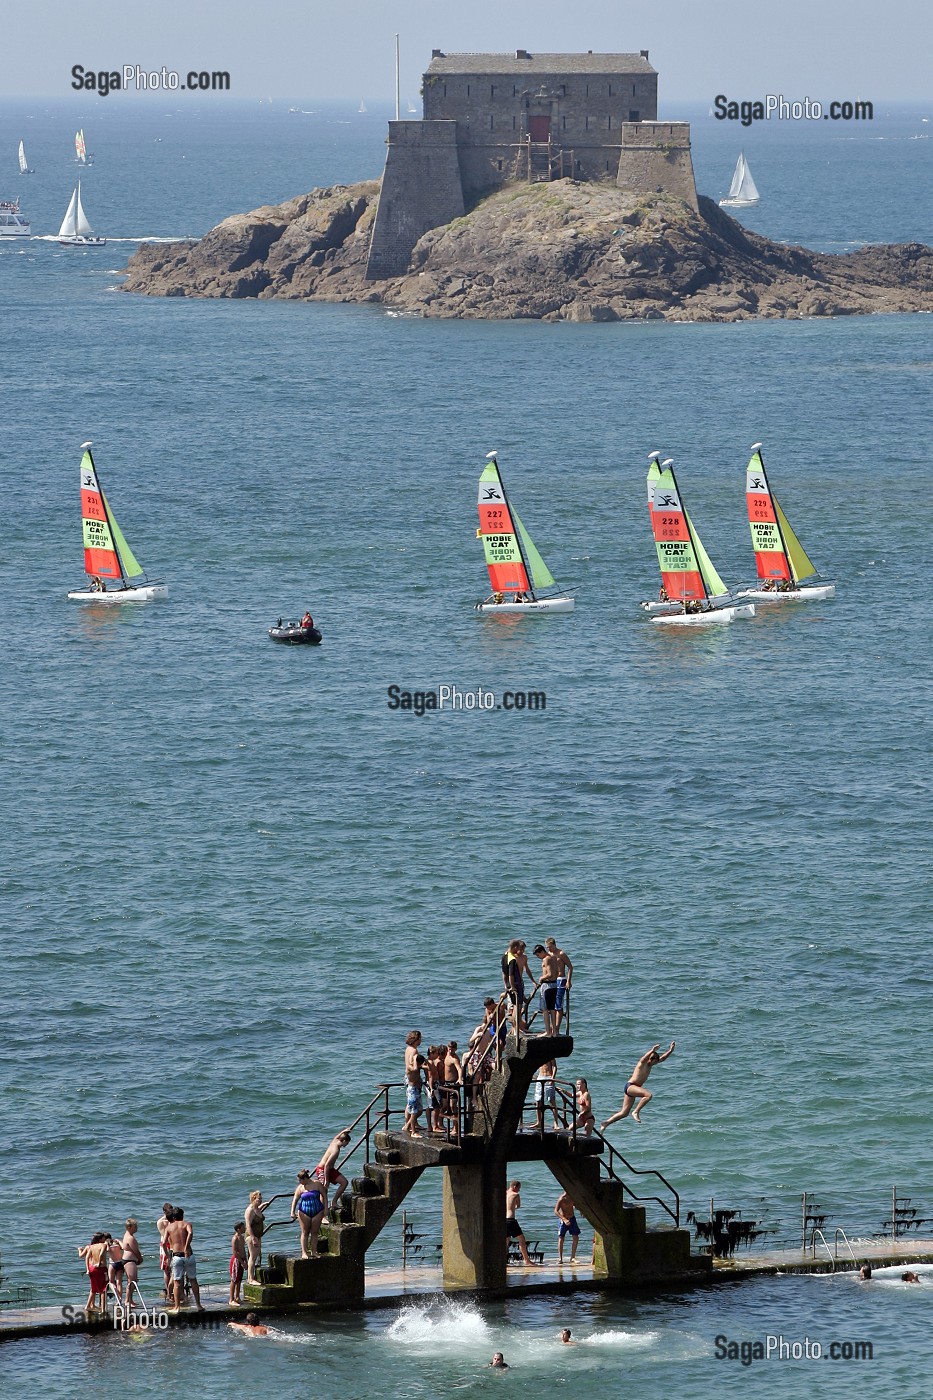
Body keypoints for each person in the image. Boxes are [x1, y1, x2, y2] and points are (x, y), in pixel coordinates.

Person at [601, 1041, 676, 1128]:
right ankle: (636, 1111)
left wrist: (670, 1050)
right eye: (654, 1061)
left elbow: (662, 1058)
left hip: (632, 1088)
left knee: (624, 1113)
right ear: (650, 1059)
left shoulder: (651, 1064)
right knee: (648, 1095)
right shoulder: (642, 1063)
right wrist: (652, 1050)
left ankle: (606, 1123)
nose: (655, 1063)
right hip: (631, 1086)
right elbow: (644, 1057)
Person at [163, 1206, 204, 1312]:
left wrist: (168, 1256)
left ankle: (177, 1307)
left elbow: (163, 1243)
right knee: (193, 1280)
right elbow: (190, 1233)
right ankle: (198, 1305)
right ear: (182, 1215)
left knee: (177, 1282)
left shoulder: (169, 1227)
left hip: (176, 1256)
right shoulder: (187, 1224)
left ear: (173, 1216)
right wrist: (186, 1247)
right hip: (189, 1255)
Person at [313, 1131, 351, 1216]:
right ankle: (321, 1214)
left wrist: (344, 1131)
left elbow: (336, 1137)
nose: (347, 1145)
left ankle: (334, 1202)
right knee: (324, 1191)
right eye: (347, 1143)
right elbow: (326, 1165)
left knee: (344, 1182)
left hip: (330, 1169)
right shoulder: (335, 1150)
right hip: (322, 1170)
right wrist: (326, 1180)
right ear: (344, 1141)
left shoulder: (335, 1142)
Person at [290, 1170, 326, 1260]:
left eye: (300, 1180)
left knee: (314, 1232)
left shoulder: (317, 1184)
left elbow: (324, 1195)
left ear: (305, 1178)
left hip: (317, 1210)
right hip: (304, 1212)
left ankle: (314, 1251)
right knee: (305, 1232)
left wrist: (325, 1209)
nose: (299, 1182)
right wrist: (292, 1212)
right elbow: (295, 1200)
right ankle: (304, 1252)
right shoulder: (300, 1188)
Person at [506, 1181, 539, 1267]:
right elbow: (518, 1206)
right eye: (518, 1188)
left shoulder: (505, 1193)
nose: (518, 1191)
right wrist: (513, 1207)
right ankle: (526, 1260)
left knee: (506, 1240)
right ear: (514, 1187)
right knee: (521, 1239)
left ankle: (503, 1261)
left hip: (503, 1220)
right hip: (510, 1219)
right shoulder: (515, 1195)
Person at [544, 938, 573, 1032]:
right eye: (547, 948)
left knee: (558, 1005)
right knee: (551, 1005)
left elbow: (570, 967)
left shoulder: (561, 954)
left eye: (550, 947)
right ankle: (552, 1028)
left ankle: (556, 1028)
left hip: (561, 979)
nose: (549, 949)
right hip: (552, 981)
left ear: (554, 945)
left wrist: (569, 981)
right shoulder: (549, 955)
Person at [532, 943, 561, 1035]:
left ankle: (548, 1031)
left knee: (545, 1010)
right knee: (552, 1009)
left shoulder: (546, 959)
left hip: (547, 986)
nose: (538, 957)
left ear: (542, 952)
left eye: (538, 955)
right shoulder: (553, 957)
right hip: (555, 985)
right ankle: (555, 1032)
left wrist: (541, 978)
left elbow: (550, 974)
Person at [78, 1233, 110, 1313]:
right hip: (101, 1268)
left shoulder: (91, 1247)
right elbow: (102, 1253)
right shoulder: (103, 1245)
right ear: (100, 1239)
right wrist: (99, 1262)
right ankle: (103, 1309)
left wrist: (88, 1269)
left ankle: (88, 1306)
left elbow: (87, 1257)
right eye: (103, 1238)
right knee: (103, 1289)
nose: (104, 1239)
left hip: (92, 1268)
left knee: (94, 1288)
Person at [245, 1191, 271, 1285]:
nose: (260, 1200)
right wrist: (253, 1238)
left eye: (261, 1199)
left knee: (254, 1257)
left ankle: (250, 1278)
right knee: (252, 1257)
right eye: (258, 1199)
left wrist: (263, 1205)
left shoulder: (256, 1208)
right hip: (252, 1236)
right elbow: (248, 1225)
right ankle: (251, 1279)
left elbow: (258, 1211)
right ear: (253, 1199)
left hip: (258, 1235)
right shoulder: (250, 1210)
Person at [534, 1060, 562, 1134]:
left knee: (551, 1101)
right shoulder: (540, 1055)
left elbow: (554, 1066)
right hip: (540, 1077)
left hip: (548, 1076)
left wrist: (552, 1078)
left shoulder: (550, 1055)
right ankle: (538, 1122)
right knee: (538, 1101)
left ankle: (556, 1123)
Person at [122, 1219, 143, 1309]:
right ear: (129, 1227)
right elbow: (136, 1251)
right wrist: (140, 1258)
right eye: (135, 1226)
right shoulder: (130, 1238)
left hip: (129, 1260)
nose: (137, 1228)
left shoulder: (127, 1235)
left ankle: (130, 1300)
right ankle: (127, 1301)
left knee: (131, 1281)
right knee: (132, 1281)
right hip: (129, 1261)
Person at [555, 1191, 580, 1263]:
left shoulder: (572, 1197)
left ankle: (573, 1257)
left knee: (575, 1237)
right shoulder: (561, 1199)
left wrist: (581, 1210)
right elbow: (556, 1211)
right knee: (561, 1237)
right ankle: (560, 1258)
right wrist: (564, 1219)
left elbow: (576, 1205)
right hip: (564, 1220)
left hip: (572, 1218)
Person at [157, 1203, 174, 1301]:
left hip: (173, 1245)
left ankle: (174, 1291)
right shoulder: (161, 1222)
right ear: (164, 1211)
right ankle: (168, 1291)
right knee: (166, 1269)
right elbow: (165, 1235)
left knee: (173, 1270)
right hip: (166, 1245)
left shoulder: (173, 1220)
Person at [230, 1222, 247, 1304]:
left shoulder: (242, 1237)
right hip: (237, 1260)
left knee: (239, 1279)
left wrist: (246, 1261)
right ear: (238, 1229)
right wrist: (241, 1262)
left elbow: (243, 1249)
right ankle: (231, 1299)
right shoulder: (235, 1238)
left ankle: (237, 1297)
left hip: (242, 1259)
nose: (245, 1228)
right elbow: (235, 1252)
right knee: (234, 1280)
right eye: (243, 1227)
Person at [106, 1233, 126, 1306]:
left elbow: (108, 1250)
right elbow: (124, 1247)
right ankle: (120, 1299)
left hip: (112, 1264)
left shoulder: (107, 1244)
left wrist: (106, 1244)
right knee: (119, 1283)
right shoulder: (117, 1243)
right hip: (120, 1263)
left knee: (111, 1282)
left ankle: (117, 1297)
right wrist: (119, 1240)